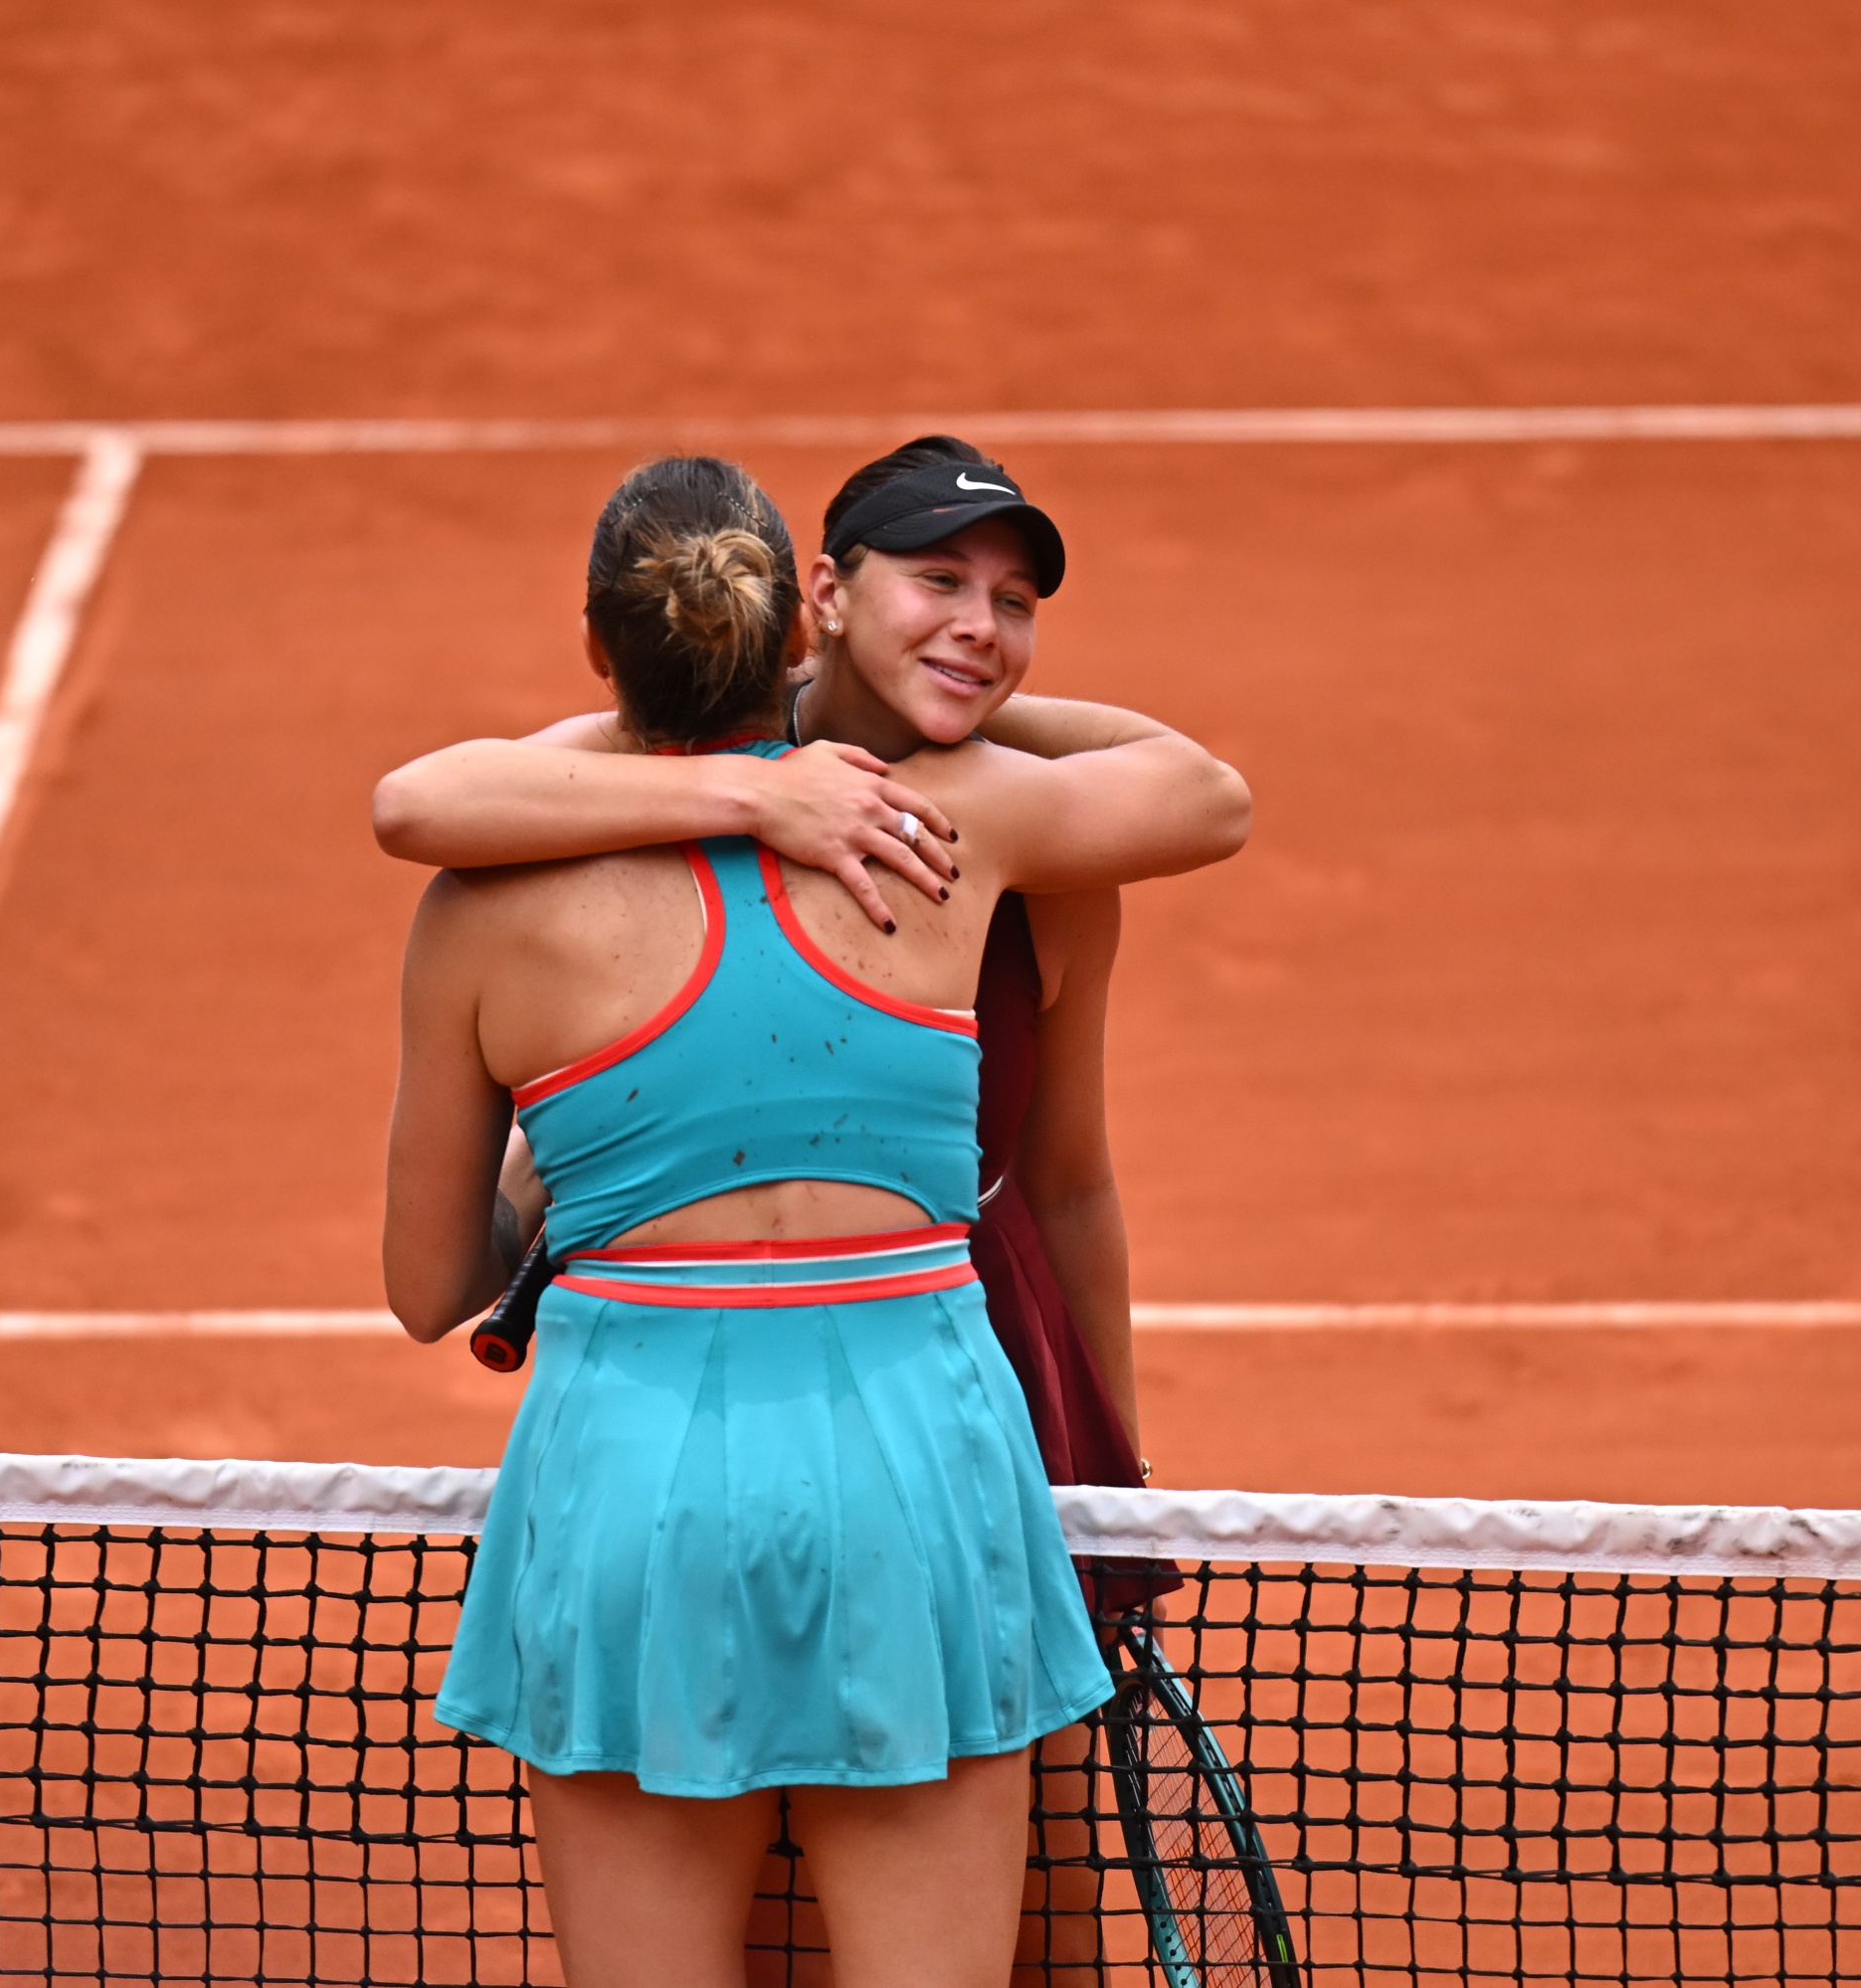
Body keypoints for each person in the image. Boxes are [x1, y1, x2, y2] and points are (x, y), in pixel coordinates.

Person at [374, 436, 1242, 1979]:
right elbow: (1204, 793)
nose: (978, 624)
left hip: (623, 1494)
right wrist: (784, 784)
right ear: (810, 611)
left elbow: (431, 1273)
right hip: (921, 1473)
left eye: (1010, 601)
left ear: (601, 647)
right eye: (943, 588)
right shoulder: (968, 833)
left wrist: (562, 1195)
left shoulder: (490, 899)